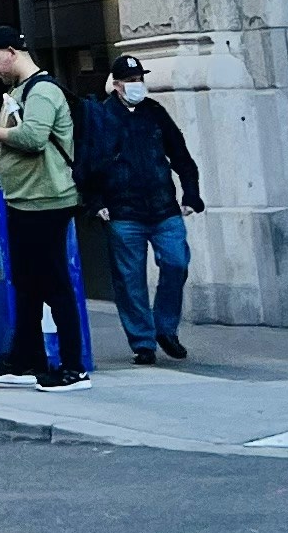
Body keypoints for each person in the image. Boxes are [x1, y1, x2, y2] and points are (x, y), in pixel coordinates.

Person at [0, 24, 87, 388]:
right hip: (25, 200)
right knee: (28, 283)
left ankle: (73, 367)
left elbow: (33, 138)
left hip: (48, 199)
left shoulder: (43, 90)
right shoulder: (20, 91)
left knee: (55, 284)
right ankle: (25, 358)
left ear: (14, 53)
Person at [80, 52, 203, 362]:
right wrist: (96, 202)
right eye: (131, 81)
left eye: (140, 79)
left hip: (163, 208)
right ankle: (143, 343)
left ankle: (165, 328)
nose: (138, 85)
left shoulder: (155, 112)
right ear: (117, 84)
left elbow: (181, 156)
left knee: (176, 264)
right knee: (130, 280)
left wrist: (191, 194)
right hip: (123, 212)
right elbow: (86, 164)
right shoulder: (101, 118)